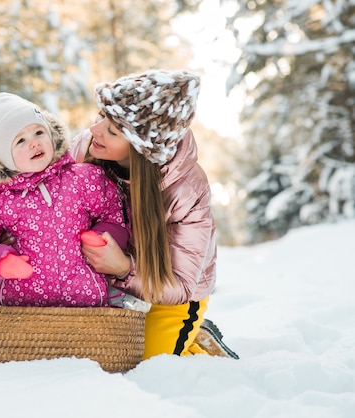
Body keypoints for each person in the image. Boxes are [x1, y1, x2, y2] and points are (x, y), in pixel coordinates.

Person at [72, 69, 238, 359]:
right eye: (100, 116)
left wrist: (124, 268)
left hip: (168, 295)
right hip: (101, 286)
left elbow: (182, 284)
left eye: (112, 130)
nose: (95, 130)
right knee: (95, 355)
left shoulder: (185, 188)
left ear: (141, 149)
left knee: (147, 362)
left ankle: (195, 340)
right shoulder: (85, 148)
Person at [0, 92, 130, 307]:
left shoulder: (82, 179)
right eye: (21, 140)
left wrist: (104, 236)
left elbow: (113, 208)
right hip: (22, 311)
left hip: (87, 305)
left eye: (38, 132)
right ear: (1, 158)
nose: (34, 143)